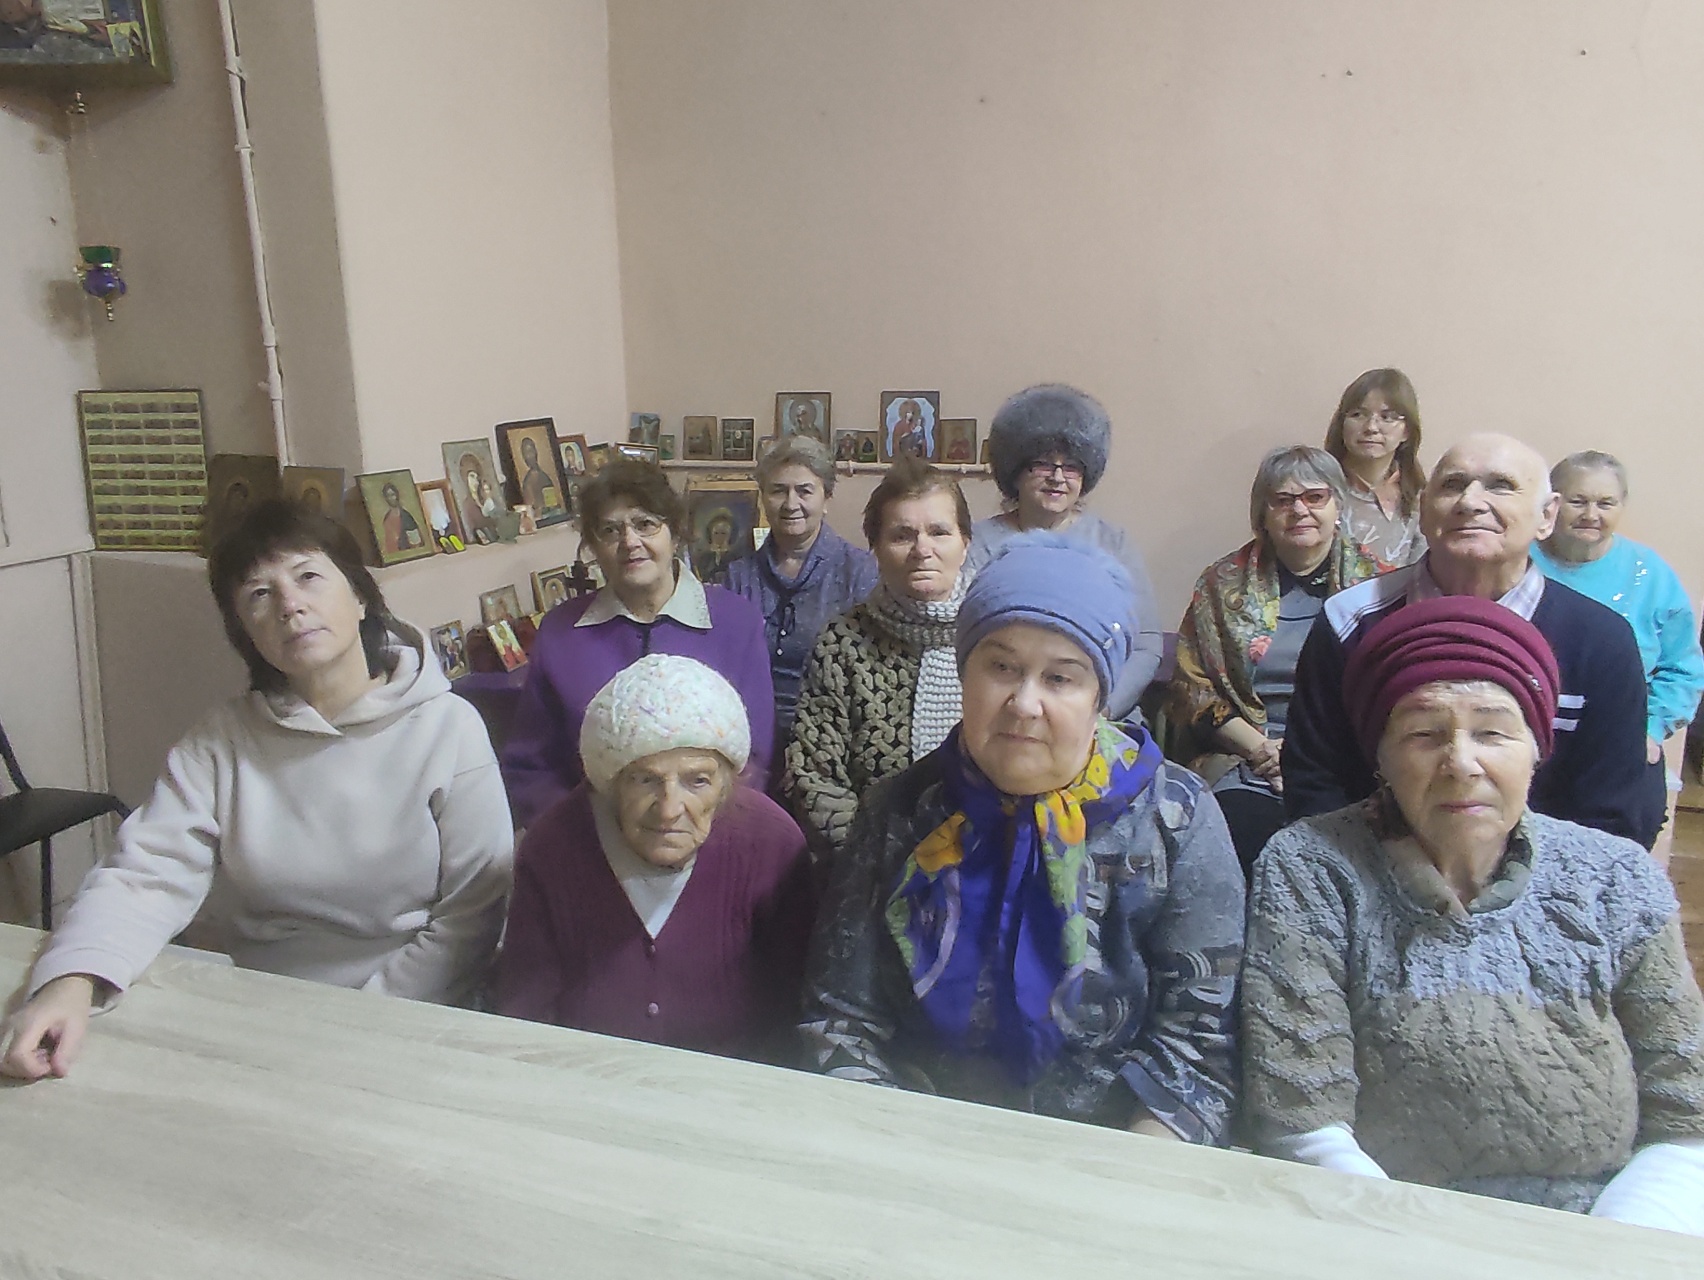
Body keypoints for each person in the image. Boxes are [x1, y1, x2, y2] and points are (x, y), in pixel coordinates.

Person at [0, 501, 514, 1081]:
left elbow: (472, 915)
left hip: (416, 1018)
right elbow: (145, 873)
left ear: (361, 597)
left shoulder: (447, 727)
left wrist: (363, 1025)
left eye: (308, 576)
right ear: (245, 633)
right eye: (259, 595)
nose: (290, 605)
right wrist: (70, 981)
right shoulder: (222, 741)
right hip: (266, 1013)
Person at [1243, 597, 1704, 1231]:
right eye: (1424, 734)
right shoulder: (1311, 868)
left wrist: (1605, 1252)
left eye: (1492, 733)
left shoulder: (1617, 879)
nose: (1461, 763)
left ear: (1536, 748)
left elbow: (1686, 1111)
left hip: (1605, 1226)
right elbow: (1301, 1113)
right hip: (1375, 1228)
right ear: (1379, 755)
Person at [801, 537, 1244, 1140]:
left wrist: (1122, 1175)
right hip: (913, 1136)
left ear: (1100, 699)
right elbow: (841, 1021)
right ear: (965, 673)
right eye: (1001, 667)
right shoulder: (900, 811)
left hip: (1109, 1151)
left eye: (1060, 678)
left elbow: (1196, 1049)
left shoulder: (1177, 819)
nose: (1025, 703)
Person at [1283, 433, 1663, 848]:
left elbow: (1611, 814)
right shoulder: (1348, 621)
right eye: (1453, 485)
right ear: (1424, 510)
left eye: (1501, 485)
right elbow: (1314, 783)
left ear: (1547, 515)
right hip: (1369, 866)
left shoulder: (1603, 642)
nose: (1471, 502)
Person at [496, 656, 816, 1058]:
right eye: (645, 779)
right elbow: (525, 1016)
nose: (668, 809)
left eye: (697, 781)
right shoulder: (553, 849)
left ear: (726, 784)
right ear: (610, 782)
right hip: (587, 1077)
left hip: (733, 1084)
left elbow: (795, 1017)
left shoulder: (772, 844)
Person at [502, 459, 775, 830]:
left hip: (708, 834)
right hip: (591, 837)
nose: (630, 542)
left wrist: (693, 830)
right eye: (610, 530)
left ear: (675, 534)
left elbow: (752, 759)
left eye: (645, 524)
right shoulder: (560, 633)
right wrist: (585, 833)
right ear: (593, 546)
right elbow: (530, 767)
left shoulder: (736, 623)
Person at [1166, 447, 1380, 873]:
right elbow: (1193, 690)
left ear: (1338, 507)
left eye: (1315, 497)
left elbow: (1391, 695)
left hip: (1345, 760)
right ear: (1262, 514)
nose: (1299, 510)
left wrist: (1305, 758)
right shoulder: (1220, 585)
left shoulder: (1379, 587)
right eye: (1283, 500)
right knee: (1236, 843)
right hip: (1248, 758)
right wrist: (1263, 750)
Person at [784, 457, 973, 854]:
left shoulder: (995, 638)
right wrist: (881, 861)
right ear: (876, 549)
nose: (922, 550)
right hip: (868, 863)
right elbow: (814, 778)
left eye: (939, 532)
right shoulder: (842, 643)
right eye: (902, 535)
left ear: (965, 543)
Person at [1533, 451, 1704, 840]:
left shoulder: (1651, 573)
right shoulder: (1517, 559)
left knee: (1624, 829)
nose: (1591, 514)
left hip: (1616, 737)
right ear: (1552, 503)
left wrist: (1652, 727)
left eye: (1605, 503)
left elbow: (1683, 668)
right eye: (1578, 501)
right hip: (1527, 736)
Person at [968, 384, 1163, 722]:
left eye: (1071, 466)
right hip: (1007, 711)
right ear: (1015, 470)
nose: (1057, 478)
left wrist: (1100, 710)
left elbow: (1146, 643)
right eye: (1043, 464)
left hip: (1103, 716)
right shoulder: (978, 542)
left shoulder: (1113, 542)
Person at [725, 436, 879, 751]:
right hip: (746, 738)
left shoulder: (860, 573)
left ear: (826, 498)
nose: (790, 504)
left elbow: (867, 681)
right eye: (778, 490)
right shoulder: (736, 575)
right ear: (763, 497)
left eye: (804, 491)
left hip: (833, 740)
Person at [1323, 368, 1426, 571]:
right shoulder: (1316, 493)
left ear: (1407, 431)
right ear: (1341, 424)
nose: (1371, 427)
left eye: (1387, 417)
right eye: (1358, 414)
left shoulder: (1422, 500)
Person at [517, 436, 560, 518]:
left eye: (530, 451)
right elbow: (530, 507)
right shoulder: (527, 481)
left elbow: (552, 503)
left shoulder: (544, 477)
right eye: (525, 453)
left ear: (535, 451)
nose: (529, 456)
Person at [459, 454, 499, 541]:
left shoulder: (486, 499)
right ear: (465, 478)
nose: (476, 482)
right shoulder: (467, 504)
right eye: (472, 476)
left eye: (477, 478)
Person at [379, 481, 422, 553]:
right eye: (388, 496)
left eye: (392, 495)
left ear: (397, 495)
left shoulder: (406, 517)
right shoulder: (386, 518)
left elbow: (416, 542)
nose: (391, 498)